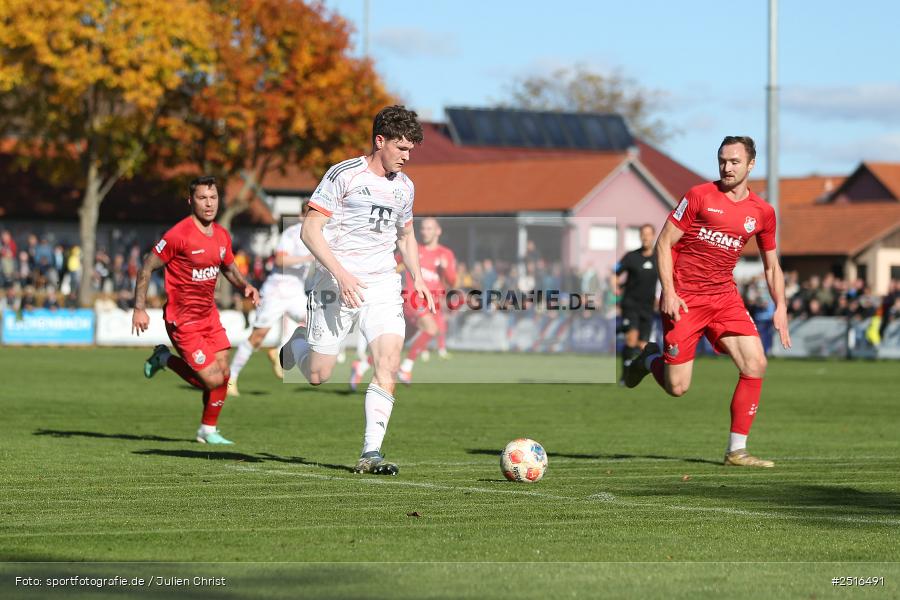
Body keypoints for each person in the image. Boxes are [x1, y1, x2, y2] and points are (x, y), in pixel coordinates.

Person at [280, 105, 433, 475]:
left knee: (389, 362)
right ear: (379, 141)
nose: (407, 157)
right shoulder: (343, 175)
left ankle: (371, 452)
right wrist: (342, 274)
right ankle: (296, 342)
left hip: (382, 283)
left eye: (411, 150)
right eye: (401, 148)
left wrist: (418, 277)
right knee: (319, 375)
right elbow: (310, 230)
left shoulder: (405, 188)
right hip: (335, 282)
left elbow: (406, 235)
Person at [623, 136, 791, 467]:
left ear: (751, 165)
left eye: (735, 162)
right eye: (722, 161)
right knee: (677, 388)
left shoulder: (762, 212)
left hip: (724, 297)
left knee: (755, 363)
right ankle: (649, 358)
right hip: (684, 298)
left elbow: (771, 266)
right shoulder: (699, 196)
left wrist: (781, 306)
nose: (727, 168)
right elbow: (663, 244)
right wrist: (669, 292)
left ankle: (736, 451)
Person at [132, 176, 260, 444]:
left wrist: (245, 286)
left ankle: (207, 430)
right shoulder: (179, 234)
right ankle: (163, 359)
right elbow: (146, 266)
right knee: (212, 380)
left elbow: (228, 267)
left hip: (209, 316)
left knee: (223, 375)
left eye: (213, 198)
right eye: (202, 198)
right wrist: (139, 308)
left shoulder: (222, 235)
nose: (209, 203)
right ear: (191, 201)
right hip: (183, 320)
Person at [350, 216, 456, 388]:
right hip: (411, 297)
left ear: (438, 231)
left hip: (430, 303)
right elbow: (390, 264)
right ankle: (406, 368)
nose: (425, 231)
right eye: (423, 228)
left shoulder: (446, 254)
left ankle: (361, 367)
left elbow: (452, 281)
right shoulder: (413, 249)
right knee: (431, 329)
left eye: (429, 228)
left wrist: (445, 269)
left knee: (395, 345)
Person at [227, 208, 315, 397]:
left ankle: (280, 351)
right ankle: (231, 379)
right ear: (301, 216)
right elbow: (280, 260)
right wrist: (307, 258)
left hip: (295, 293)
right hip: (276, 291)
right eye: (308, 213)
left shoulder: (317, 235)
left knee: (316, 322)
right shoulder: (291, 234)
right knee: (258, 337)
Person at [612, 223, 658, 385]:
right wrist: (616, 287)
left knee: (643, 345)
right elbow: (615, 272)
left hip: (648, 307)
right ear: (640, 236)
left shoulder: (659, 257)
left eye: (648, 234)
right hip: (630, 304)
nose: (645, 237)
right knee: (631, 340)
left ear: (653, 236)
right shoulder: (631, 256)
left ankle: (636, 370)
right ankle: (624, 377)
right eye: (643, 234)